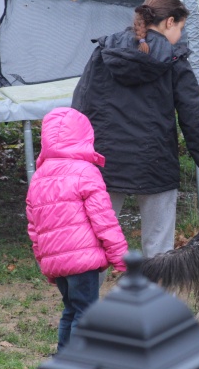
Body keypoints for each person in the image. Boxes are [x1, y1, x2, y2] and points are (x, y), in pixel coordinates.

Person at [72, 0, 199, 259]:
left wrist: (75, 162)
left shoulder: (105, 51)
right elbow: (194, 121)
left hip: (104, 163)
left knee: (95, 247)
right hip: (155, 162)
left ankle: (84, 301)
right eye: (180, 28)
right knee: (159, 253)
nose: (180, 36)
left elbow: (79, 108)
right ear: (169, 22)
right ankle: (156, 300)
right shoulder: (175, 60)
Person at [26, 107, 128, 353]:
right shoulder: (86, 172)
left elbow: (34, 227)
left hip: (57, 262)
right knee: (86, 312)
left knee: (70, 309)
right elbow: (104, 220)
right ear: (85, 136)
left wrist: (45, 262)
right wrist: (121, 258)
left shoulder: (39, 177)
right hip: (83, 261)